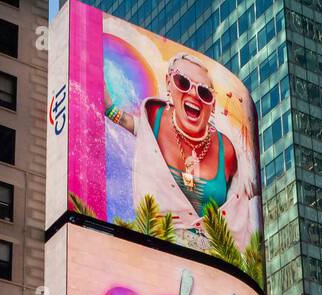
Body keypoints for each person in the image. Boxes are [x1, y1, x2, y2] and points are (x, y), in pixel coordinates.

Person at [104, 54, 257, 248]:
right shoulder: (154, 119)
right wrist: (109, 109)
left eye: (204, 92)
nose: (194, 95)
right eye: (183, 82)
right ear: (169, 82)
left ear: (212, 104)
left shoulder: (227, 149)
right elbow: (132, 124)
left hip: (217, 261)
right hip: (160, 248)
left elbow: (248, 189)